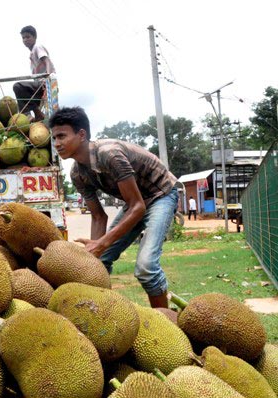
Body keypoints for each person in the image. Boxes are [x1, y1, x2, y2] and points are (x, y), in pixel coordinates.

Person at [49, 107, 179, 308]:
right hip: (135, 203)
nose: (57, 143)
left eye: (62, 136)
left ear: (81, 134)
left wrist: (102, 243)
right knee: (97, 264)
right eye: (54, 138)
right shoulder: (77, 174)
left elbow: (138, 208)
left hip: (160, 195)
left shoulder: (110, 155)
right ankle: (104, 314)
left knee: (146, 267)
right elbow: (98, 217)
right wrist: (94, 250)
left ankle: (166, 320)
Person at [13, 25, 56, 122]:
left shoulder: (37, 47)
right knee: (23, 93)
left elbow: (46, 60)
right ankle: (36, 113)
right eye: (23, 38)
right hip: (40, 85)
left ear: (34, 37)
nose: (25, 40)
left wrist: (48, 77)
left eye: (28, 37)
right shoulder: (32, 54)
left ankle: (29, 115)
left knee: (18, 86)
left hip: (44, 83)